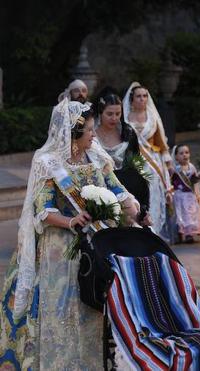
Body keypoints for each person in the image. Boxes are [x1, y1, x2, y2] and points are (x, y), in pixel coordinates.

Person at [0, 99, 138, 369]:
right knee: (63, 310)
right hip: (61, 250)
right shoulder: (49, 163)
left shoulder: (96, 156)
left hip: (97, 244)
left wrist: (131, 205)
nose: (94, 134)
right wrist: (71, 220)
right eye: (89, 131)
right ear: (73, 137)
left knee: (92, 308)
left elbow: (116, 187)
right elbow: (43, 209)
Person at [122, 82, 174, 242]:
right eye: (138, 96)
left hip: (153, 163)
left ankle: (154, 231)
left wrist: (168, 162)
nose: (142, 99)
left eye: (145, 96)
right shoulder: (124, 117)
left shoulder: (153, 118)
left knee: (155, 196)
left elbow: (161, 142)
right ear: (131, 99)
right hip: (133, 162)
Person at [94, 93, 151, 225]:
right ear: (100, 112)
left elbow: (137, 162)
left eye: (118, 114)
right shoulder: (92, 135)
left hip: (130, 187)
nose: (114, 118)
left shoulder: (128, 132)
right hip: (103, 187)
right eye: (109, 114)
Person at [171, 145, 200, 243]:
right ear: (176, 157)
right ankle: (180, 233)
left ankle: (189, 234)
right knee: (181, 215)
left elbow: (194, 181)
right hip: (180, 196)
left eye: (186, 152)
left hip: (190, 196)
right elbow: (169, 182)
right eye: (181, 153)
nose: (184, 155)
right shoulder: (175, 169)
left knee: (191, 215)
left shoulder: (192, 167)